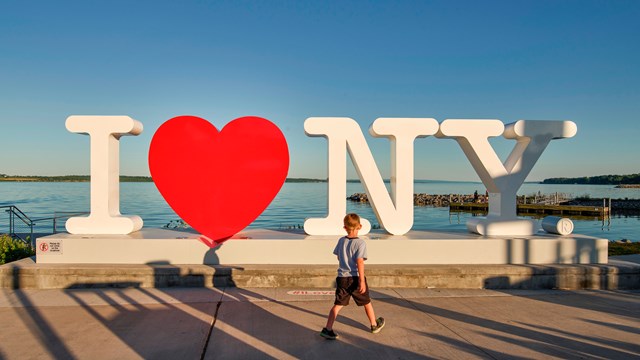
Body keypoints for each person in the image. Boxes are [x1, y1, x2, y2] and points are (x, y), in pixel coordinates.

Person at [320, 213, 385, 340]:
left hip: (342, 278)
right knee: (366, 302)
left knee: (338, 304)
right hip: (355, 277)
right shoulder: (360, 243)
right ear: (360, 226)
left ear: (345, 227)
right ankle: (374, 325)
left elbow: (338, 256)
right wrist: (361, 281)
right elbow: (360, 261)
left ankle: (328, 329)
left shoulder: (341, 240)